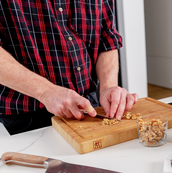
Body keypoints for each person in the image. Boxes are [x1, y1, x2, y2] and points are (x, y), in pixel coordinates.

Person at [0, 0, 138, 135]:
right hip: (24, 117)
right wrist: (46, 92)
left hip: (89, 106)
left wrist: (108, 87)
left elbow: (106, 37)